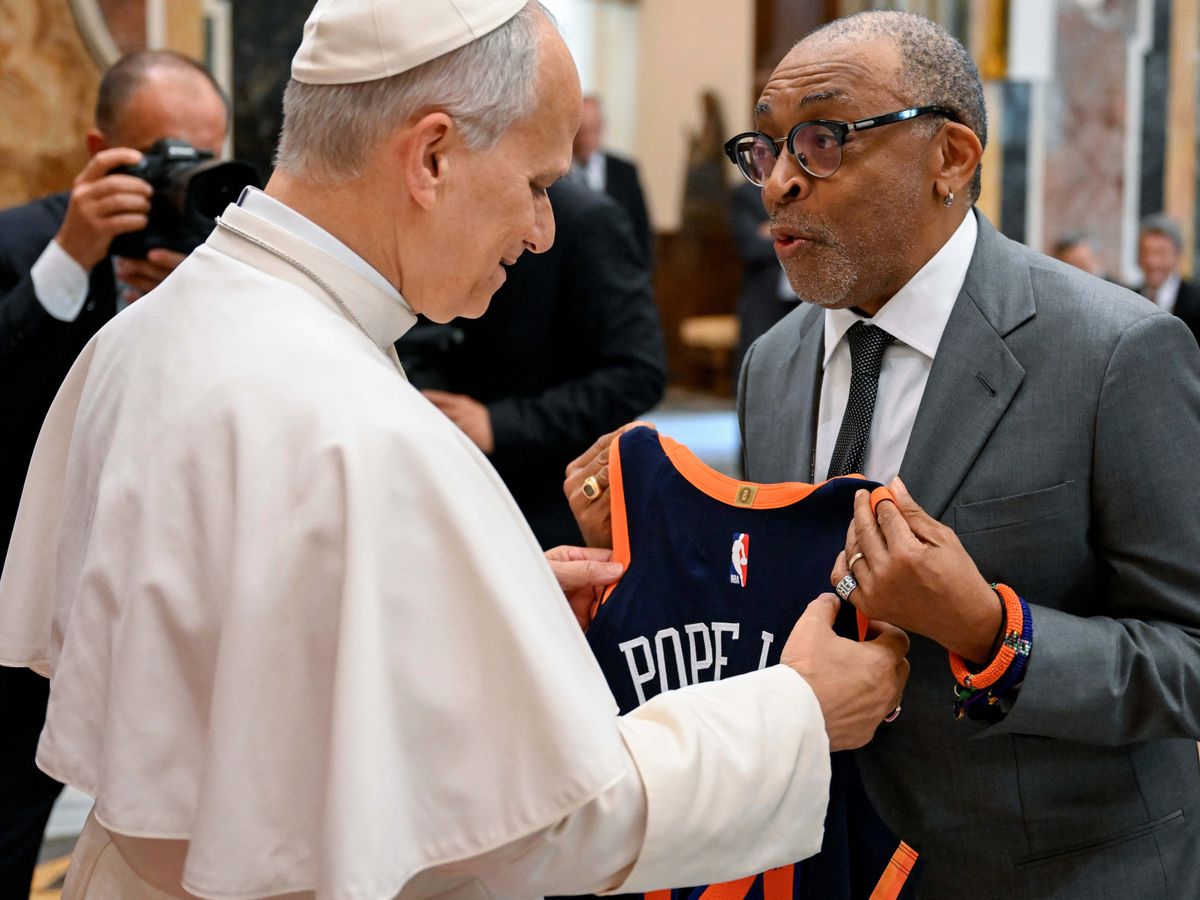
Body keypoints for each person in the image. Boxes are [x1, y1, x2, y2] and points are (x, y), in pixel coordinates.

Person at [0, 2, 910, 897]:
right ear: (431, 156)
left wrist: (473, 600)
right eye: (537, 184)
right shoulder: (366, 430)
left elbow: (247, 661)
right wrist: (799, 710)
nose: (543, 231)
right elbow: (546, 825)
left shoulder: (144, 333)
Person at [570, 10, 1200, 898]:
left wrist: (993, 632)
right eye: (766, 148)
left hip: (1048, 872)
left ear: (951, 157)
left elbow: (1187, 655)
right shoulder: (775, 363)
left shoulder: (1114, 352)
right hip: (825, 864)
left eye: (825, 140)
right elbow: (777, 605)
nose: (779, 182)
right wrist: (651, 558)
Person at [0, 49, 228, 899]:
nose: (184, 179)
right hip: (30, 609)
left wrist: (201, 298)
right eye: (164, 156)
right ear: (101, 147)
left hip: (165, 600)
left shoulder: (227, 259)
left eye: (205, 156)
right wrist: (73, 257)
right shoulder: (22, 243)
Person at [397, 176, 665, 549]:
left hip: (546, 498)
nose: (542, 233)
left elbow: (639, 373)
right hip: (441, 481)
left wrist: (500, 424)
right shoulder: (434, 210)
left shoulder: (588, 220)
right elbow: (419, 334)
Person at [572, 95, 654, 266]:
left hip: (616, 268)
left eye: (592, 130)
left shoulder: (625, 172)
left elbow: (641, 229)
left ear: (602, 128)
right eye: (581, 131)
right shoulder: (556, 174)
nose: (585, 139)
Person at [729, 179, 798, 375]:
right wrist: (793, 232)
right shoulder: (746, 193)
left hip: (808, 301)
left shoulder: (805, 185)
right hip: (764, 299)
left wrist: (773, 231)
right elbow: (751, 248)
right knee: (758, 368)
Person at [1136, 213, 1200, 342]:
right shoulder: (1131, 297)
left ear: (1177, 255)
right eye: (1145, 252)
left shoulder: (1196, 301)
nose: (1151, 261)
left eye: (1160, 253)